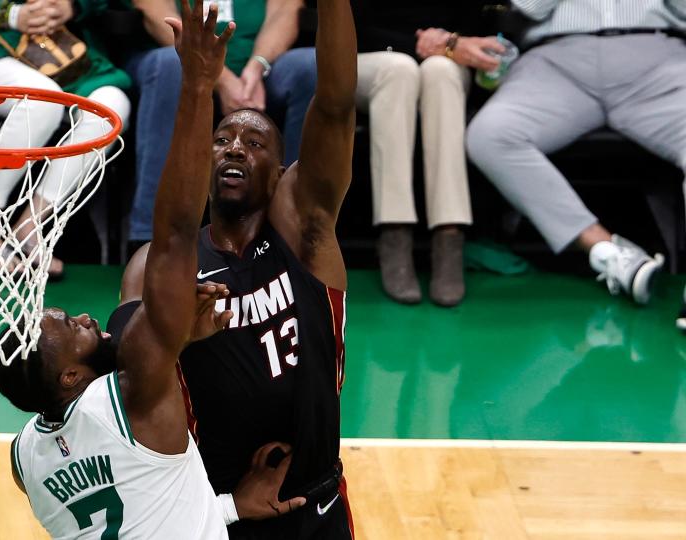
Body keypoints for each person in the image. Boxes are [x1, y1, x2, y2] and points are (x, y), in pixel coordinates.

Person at [0, 4, 304, 536]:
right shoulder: (129, 397)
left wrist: (225, 509)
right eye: (68, 327)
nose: (84, 317)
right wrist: (196, 87)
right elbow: (178, 231)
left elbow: (132, 510)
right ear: (70, 377)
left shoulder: (24, 460)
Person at [119, 0, 357, 536]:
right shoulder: (153, 268)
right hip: (211, 510)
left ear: (280, 173)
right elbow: (131, 389)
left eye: (254, 143)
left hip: (316, 504)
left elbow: (337, 105)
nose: (234, 148)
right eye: (222, 139)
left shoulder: (305, 233)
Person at [466, 0, 684, 306]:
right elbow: (530, 8)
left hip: (656, 54)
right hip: (556, 59)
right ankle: (606, 251)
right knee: (491, 135)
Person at [0, 0, 132, 278]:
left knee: (112, 107)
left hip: (62, 53)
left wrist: (73, 6)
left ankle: (29, 227)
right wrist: (11, 13)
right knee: (42, 101)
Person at [118, 0, 317, 255]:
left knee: (310, 66)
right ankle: (153, 239)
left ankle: (294, 234)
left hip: (260, 68)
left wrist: (257, 67)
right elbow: (158, 16)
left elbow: (284, 13)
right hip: (177, 58)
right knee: (169, 66)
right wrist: (219, 77)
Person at [355, 0, 500, 307]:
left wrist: (450, 43)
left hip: (444, 54)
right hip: (365, 55)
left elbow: (478, 21)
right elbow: (352, 23)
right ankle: (394, 232)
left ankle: (449, 235)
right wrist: (421, 43)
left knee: (441, 71)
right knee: (399, 70)